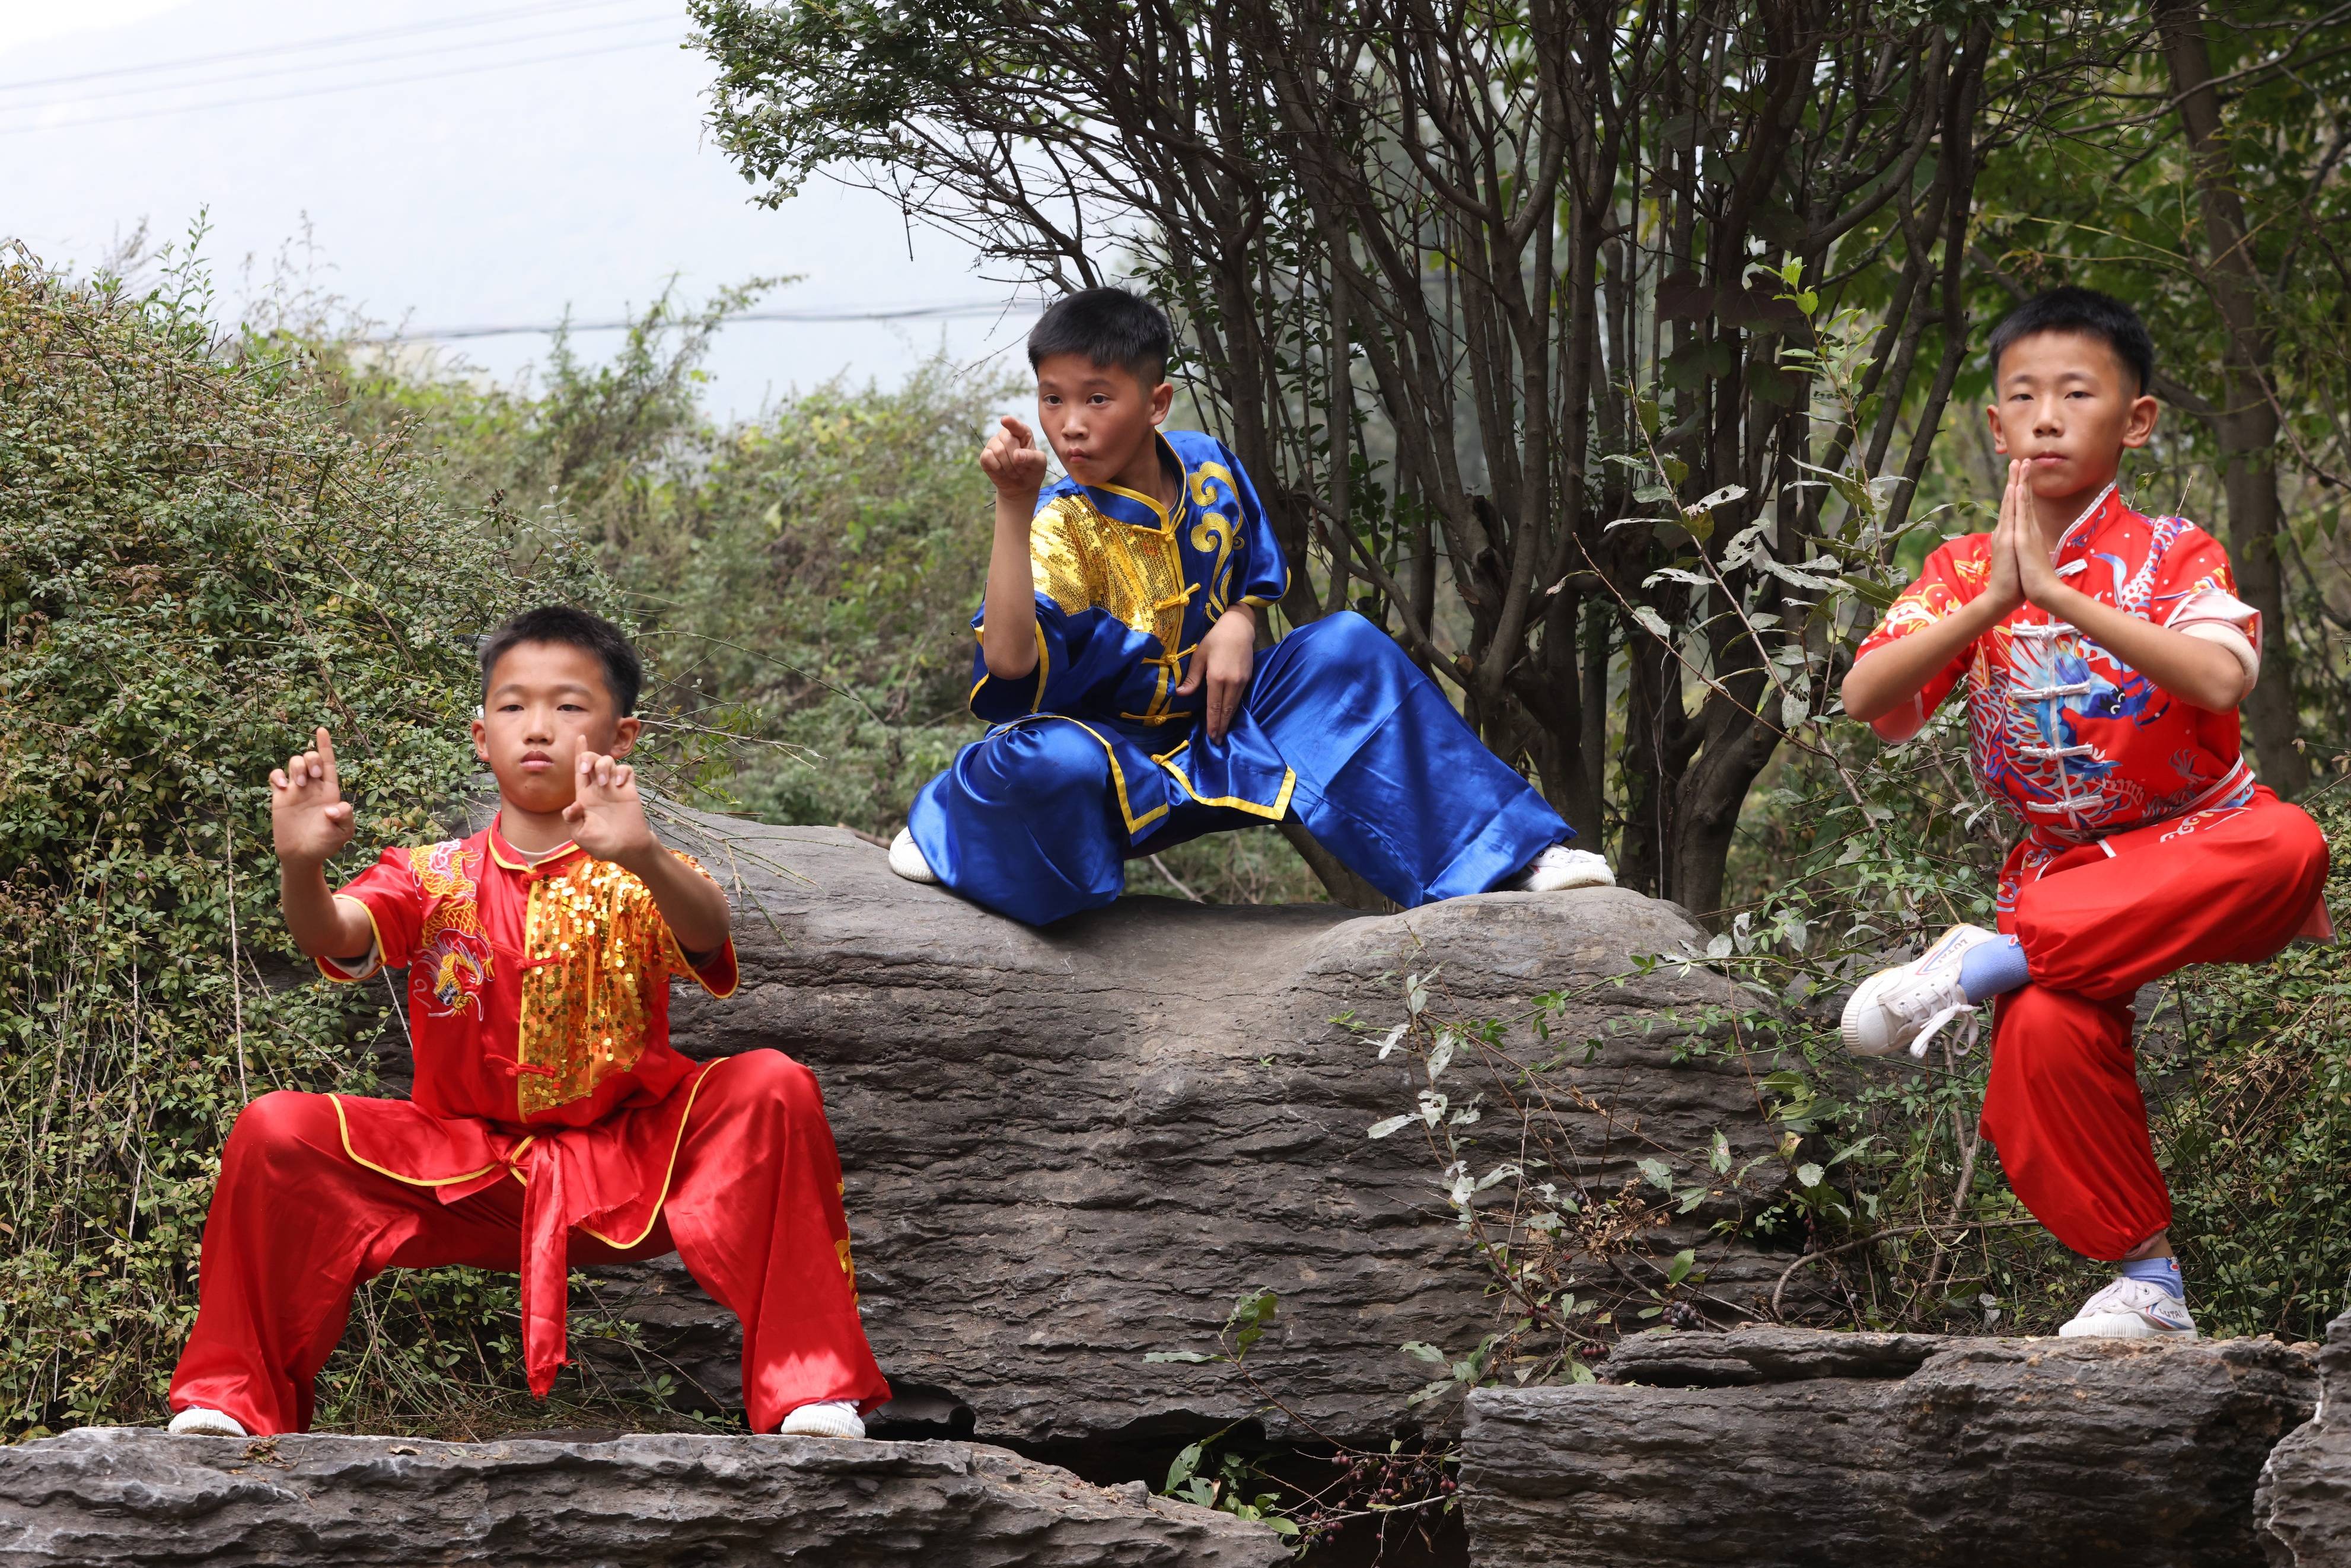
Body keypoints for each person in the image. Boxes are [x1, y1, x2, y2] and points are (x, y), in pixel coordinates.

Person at [167, 607, 889, 1438]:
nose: (538, 727)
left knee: (771, 1085)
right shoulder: (430, 875)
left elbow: (706, 930)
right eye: (513, 706)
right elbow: (333, 933)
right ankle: (232, 1398)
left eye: (569, 705)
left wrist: (642, 853)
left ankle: (807, 1388)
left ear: (621, 736)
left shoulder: (639, 868)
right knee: (276, 1128)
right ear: (482, 737)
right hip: (458, 1172)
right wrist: (301, 865)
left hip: (633, 1165)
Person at [1837, 287, 2330, 1341]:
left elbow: (2219, 678)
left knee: (2291, 843)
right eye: (2023, 396)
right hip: (2066, 880)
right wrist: (1992, 601)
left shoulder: (2174, 551)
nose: (2048, 417)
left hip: (2202, 842)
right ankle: (2149, 1283)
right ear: (1996, 425)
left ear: (2135, 420)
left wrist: (2058, 596)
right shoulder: (1963, 568)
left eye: (2076, 393)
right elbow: (1867, 698)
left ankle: (1985, 961)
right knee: (2045, 1030)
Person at [888, 286, 1611, 924]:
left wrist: (1240, 618)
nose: (1069, 424)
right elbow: (1009, 661)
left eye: (1096, 398)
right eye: (1052, 399)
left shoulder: (1205, 465)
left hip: (1222, 729)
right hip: (1104, 767)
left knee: (1346, 644)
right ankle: (958, 830)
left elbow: (1252, 573)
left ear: (1157, 403)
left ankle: (1505, 856)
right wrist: (1014, 505)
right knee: (1054, 763)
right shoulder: (1059, 524)